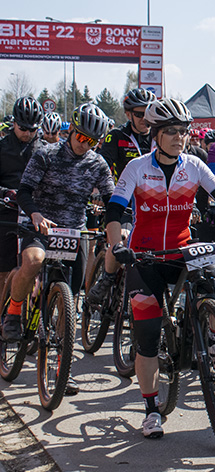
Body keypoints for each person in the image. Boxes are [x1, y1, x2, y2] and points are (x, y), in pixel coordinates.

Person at [103, 98, 215, 439]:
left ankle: (211, 335)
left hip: (181, 249)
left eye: (184, 131)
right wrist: (118, 245)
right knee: (147, 338)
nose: (180, 138)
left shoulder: (194, 165)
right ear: (156, 134)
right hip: (145, 256)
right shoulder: (137, 167)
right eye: (172, 132)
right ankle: (151, 410)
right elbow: (115, 211)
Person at [3, 103, 114, 396]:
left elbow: (112, 199)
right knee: (34, 260)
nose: (82, 143)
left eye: (90, 140)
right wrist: (36, 214)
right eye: (79, 135)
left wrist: (114, 224)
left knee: (71, 301)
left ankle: (64, 369)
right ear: (71, 131)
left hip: (72, 232)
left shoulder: (97, 165)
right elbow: (25, 191)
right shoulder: (46, 154)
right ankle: (14, 312)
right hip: (40, 225)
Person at [0, 96, 45, 292]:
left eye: (32, 129)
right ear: (14, 124)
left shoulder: (45, 150)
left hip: (35, 214)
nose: (28, 133)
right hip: (6, 212)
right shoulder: (2, 148)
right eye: (23, 128)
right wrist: (5, 193)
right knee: (4, 268)